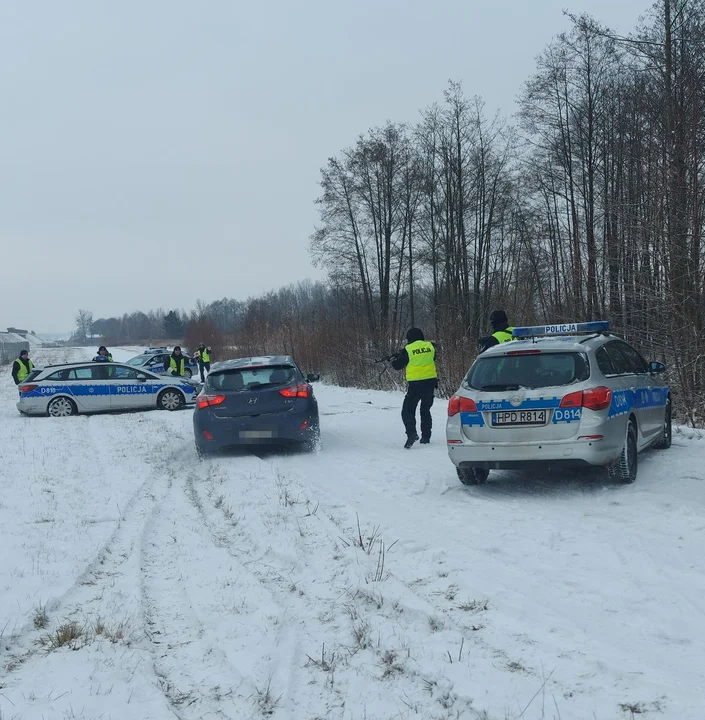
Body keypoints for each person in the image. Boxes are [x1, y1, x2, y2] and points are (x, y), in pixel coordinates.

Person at [390, 327, 439, 449]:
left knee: (407, 410)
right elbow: (433, 358)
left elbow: (397, 366)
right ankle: (426, 437)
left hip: (416, 385)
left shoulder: (408, 349)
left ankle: (412, 433)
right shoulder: (430, 347)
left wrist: (393, 360)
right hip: (430, 383)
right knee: (425, 410)